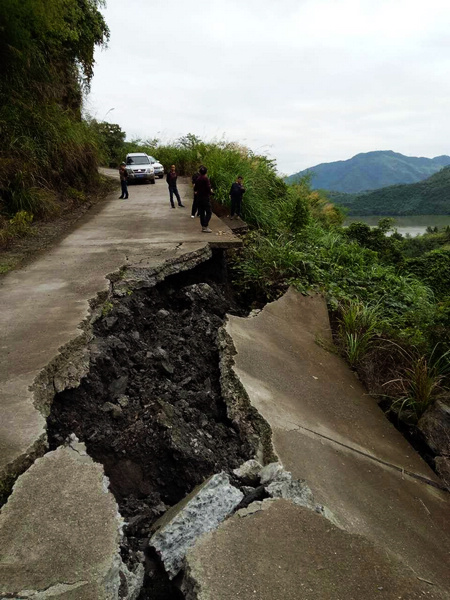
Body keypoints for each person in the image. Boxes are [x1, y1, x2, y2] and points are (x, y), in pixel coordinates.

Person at [194, 166, 213, 233]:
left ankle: (203, 227)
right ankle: (205, 225)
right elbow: (208, 188)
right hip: (205, 198)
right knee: (209, 212)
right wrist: (211, 192)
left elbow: (195, 188)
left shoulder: (198, 179)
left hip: (199, 198)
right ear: (206, 172)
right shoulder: (205, 179)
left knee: (201, 213)